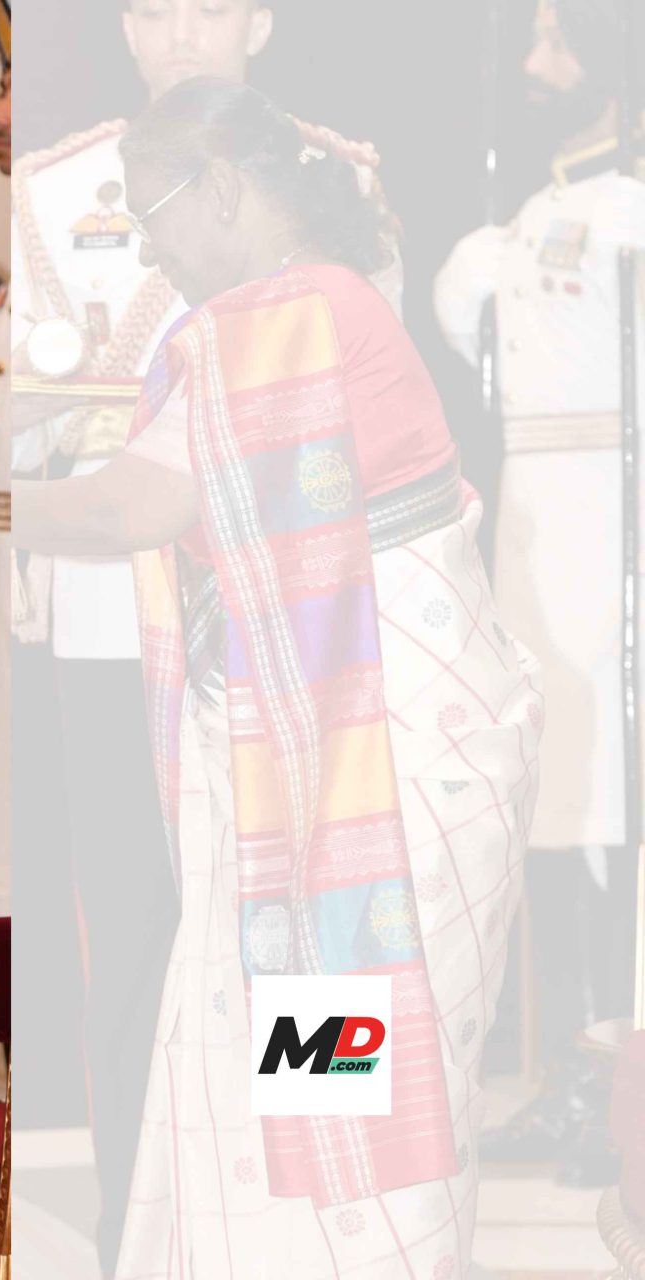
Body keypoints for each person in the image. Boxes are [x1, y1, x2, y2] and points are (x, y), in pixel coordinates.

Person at [14, 79, 541, 1275]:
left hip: (368, 767)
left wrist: (6, 508)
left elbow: (133, 505)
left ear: (224, 190)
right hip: (358, 752)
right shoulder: (315, 304)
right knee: (325, 1080)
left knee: (351, 1084)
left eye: (154, 213)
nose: (148, 244)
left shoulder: (288, 318)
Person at [5, 3, 390, 1266]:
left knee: (312, 911)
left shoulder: (340, 191)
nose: (175, 29)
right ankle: (144, 1224)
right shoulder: (54, 189)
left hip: (301, 616)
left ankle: (319, 1199)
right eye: (148, 7)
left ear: (264, 23)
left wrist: (9, 506)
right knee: (135, 936)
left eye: (207, 3)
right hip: (122, 626)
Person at [430, 0, 644, 1187]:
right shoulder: (517, 234)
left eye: (561, 42)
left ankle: (625, 1081)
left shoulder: (622, 218)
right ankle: (576, 1071)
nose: (535, 66)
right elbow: (473, 340)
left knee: (623, 812)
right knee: (559, 810)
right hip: (539, 539)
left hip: (627, 534)